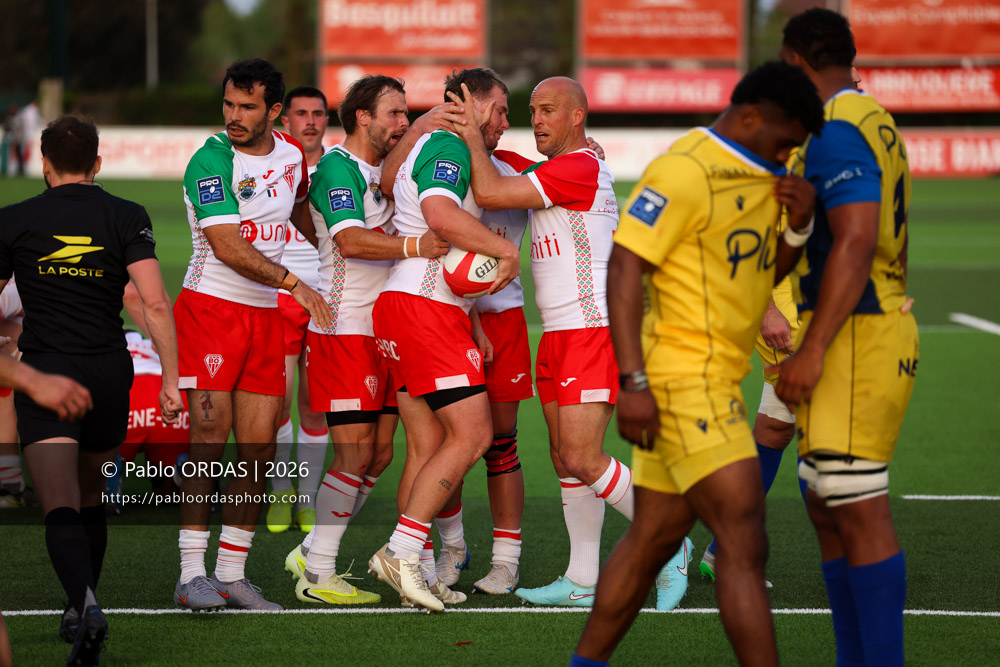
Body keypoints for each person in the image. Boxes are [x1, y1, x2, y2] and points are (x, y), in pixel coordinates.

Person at [570, 62, 824, 666]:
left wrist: (799, 226)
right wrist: (632, 382)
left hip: (715, 382)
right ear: (752, 116)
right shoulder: (685, 169)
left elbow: (763, 274)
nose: (789, 153)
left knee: (652, 539)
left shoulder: (768, 176)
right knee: (742, 540)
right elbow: (625, 266)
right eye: (786, 139)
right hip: (682, 383)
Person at [447, 76, 683, 609]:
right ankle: (582, 579)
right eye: (532, 110)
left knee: (582, 455)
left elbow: (488, 190)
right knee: (563, 457)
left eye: (549, 110)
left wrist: (466, 135)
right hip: (558, 334)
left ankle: (670, 541)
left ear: (577, 117)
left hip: (591, 329)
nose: (537, 119)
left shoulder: (580, 168)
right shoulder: (557, 169)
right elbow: (503, 164)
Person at [0, 115, 183, 667]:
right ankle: (82, 609)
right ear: (98, 164)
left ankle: (84, 607)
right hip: (109, 372)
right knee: (91, 499)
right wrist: (171, 379)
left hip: (48, 372)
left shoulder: (13, 219)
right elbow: (153, 304)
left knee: (57, 504)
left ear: (43, 162)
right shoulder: (127, 214)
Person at [778, 10, 916, 666]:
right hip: (860, 325)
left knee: (856, 507)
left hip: (857, 332)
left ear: (797, 60)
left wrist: (813, 346)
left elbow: (859, 239)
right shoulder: (873, 118)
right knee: (826, 499)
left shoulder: (835, 128)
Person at [171, 57, 333, 612]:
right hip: (211, 311)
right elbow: (227, 246)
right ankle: (191, 572)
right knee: (209, 446)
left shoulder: (291, 156)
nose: (234, 116)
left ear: (274, 112)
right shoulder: (209, 161)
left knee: (259, 450)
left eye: (247, 106)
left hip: (264, 316)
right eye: (228, 104)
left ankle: (232, 574)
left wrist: (337, 260)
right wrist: (296, 282)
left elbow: (305, 217)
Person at [288, 74, 452, 606]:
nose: (402, 122)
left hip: (380, 333)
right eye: (395, 113)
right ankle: (317, 574)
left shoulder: (379, 169)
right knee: (353, 454)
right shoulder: (336, 166)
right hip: (343, 330)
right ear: (362, 117)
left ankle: (312, 548)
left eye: (407, 114)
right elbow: (351, 240)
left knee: (379, 455)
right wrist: (416, 245)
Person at [365, 67, 521, 613]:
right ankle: (401, 551)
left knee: (429, 447)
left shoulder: (430, 145)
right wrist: (506, 252)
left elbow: (389, 186)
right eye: (499, 109)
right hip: (423, 310)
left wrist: (473, 320)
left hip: (412, 308)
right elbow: (440, 214)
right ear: (469, 105)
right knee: (475, 435)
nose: (505, 120)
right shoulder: (450, 146)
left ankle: (419, 573)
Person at [266, 86, 334, 535]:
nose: (310, 121)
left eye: (318, 113)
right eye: (301, 114)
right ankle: (278, 492)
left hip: (328, 295)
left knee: (314, 405)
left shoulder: (338, 167)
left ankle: (307, 499)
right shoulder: (271, 164)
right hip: (280, 294)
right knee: (275, 404)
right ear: (284, 120)